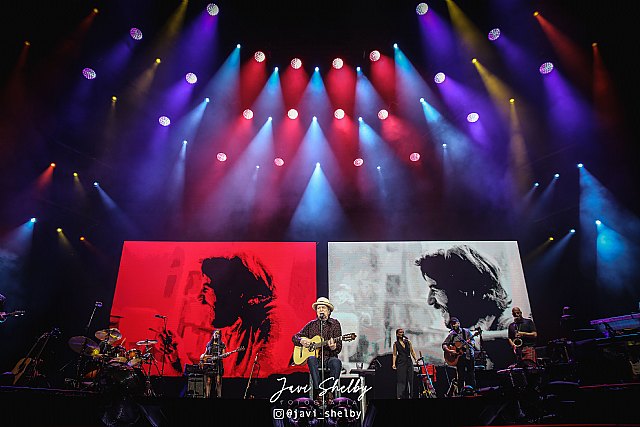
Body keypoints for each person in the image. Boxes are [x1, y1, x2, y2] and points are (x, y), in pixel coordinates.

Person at [198, 256, 275, 375]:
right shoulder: (239, 328)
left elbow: (266, 373)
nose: (200, 298)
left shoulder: (272, 321)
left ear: (228, 290)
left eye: (206, 289)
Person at [415, 245, 511, 331]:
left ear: (464, 290)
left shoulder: (511, 330)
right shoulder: (464, 333)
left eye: (435, 289)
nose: (430, 301)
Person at [292, 297, 343, 405]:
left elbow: (338, 347)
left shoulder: (335, 324)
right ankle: (319, 392)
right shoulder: (311, 325)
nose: (321, 310)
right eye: (319, 308)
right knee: (311, 359)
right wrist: (301, 340)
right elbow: (295, 337)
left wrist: (333, 347)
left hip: (329, 357)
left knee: (336, 362)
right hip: (316, 359)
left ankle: (330, 393)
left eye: (323, 308)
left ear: (329, 311)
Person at [442, 317, 476, 396]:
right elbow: (444, 344)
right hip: (459, 358)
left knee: (471, 375)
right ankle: (461, 393)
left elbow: (473, 341)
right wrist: (449, 351)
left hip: (469, 356)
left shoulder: (466, 332)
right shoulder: (452, 335)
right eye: (452, 324)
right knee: (460, 376)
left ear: (458, 323)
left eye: (454, 323)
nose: (453, 325)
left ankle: (472, 392)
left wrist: (471, 343)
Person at [392, 328, 417, 399]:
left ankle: (410, 396)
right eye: (400, 332)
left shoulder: (408, 342)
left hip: (409, 361)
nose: (402, 333)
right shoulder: (396, 344)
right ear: (397, 334)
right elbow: (394, 354)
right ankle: (400, 396)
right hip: (401, 362)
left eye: (402, 332)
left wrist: (415, 359)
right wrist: (393, 364)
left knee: (410, 379)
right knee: (401, 380)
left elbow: (412, 351)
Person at [200, 330, 225, 398]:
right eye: (215, 333)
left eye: (218, 334)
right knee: (208, 381)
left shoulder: (222, 344)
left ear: (220, 336)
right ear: (213, 334)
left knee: (218, 381)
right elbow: (205, 353)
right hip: (209, 364)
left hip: (218, 364)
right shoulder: (209, 344)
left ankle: (219, 396)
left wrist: (224, 355)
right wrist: (203, 357)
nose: (216, 335)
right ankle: (207, 396)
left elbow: (224, 354)